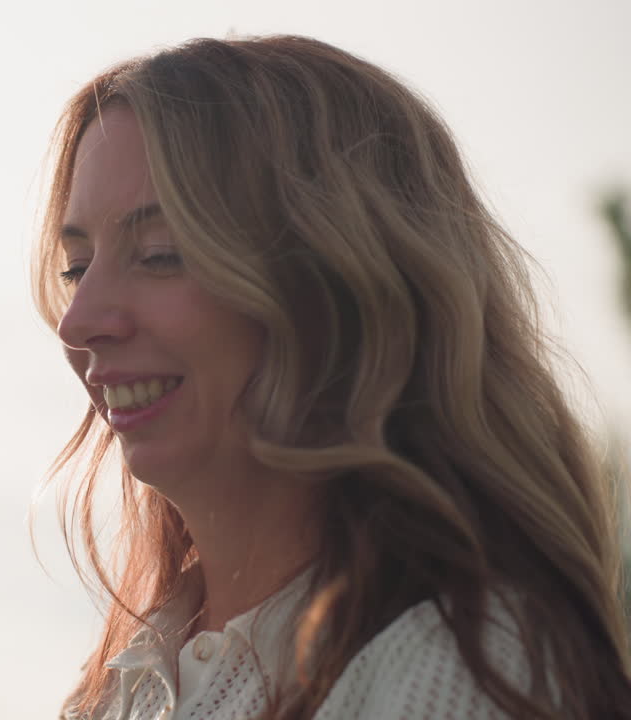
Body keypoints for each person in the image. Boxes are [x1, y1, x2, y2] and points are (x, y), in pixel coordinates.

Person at [31, 34, 631, 720]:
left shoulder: (458, 678)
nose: (80, 322)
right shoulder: (123, 686)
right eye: (77, 267)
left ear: (343, 289)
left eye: (162, 253)